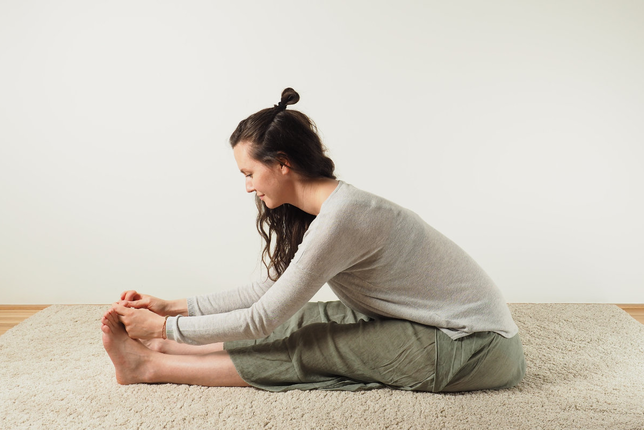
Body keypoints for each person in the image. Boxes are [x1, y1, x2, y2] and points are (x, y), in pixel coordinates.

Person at [101, 88, 526, 392]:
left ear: (282, 164)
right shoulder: (330, 207)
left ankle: (151, 364)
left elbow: (259, 319)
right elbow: (268, 291)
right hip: (443, 326)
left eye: (249, 174)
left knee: (315, 346)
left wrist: (168, 327)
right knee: (303, 316)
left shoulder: (343, 218)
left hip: (476, 348)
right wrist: (171, 307)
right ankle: (165, 347)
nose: (248, 188)